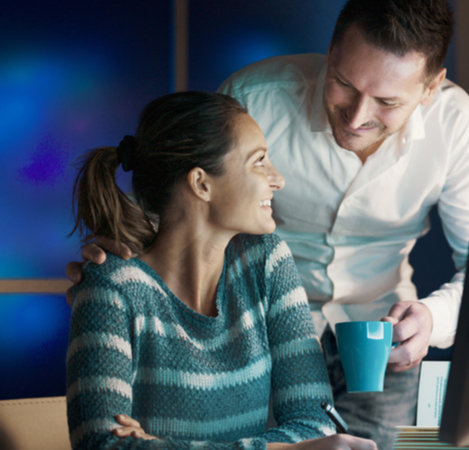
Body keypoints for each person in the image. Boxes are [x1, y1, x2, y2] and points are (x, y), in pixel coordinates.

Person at [66, 1, 469, 448]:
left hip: (380, 337)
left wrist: (433, 318)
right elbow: (186, 192)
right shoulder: (256, 97)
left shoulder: (456, 126)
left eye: (386, 102)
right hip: (251, 329)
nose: (359, 115)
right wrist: (121, 251)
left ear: (431, 88)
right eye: (344, 83)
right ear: (331, 49)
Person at [67, 91, 376, 450]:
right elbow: (100, 446)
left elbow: (316, 423)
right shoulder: (112, 286)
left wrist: (161, 446)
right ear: (201, 183)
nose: (277, 179)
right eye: (259, 161)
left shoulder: (266, 262)